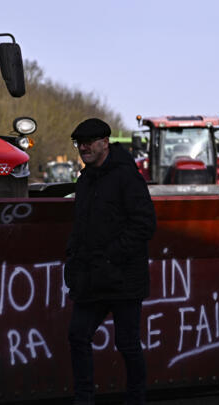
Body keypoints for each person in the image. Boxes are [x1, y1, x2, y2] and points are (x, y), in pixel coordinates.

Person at [64, 118, 156, 405]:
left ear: (105, 142)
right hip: (92, 276)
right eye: (80, 143)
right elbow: (81, 227)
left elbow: (145, 224)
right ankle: (84, 398)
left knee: (127, 344)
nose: (83, 147)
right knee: (78, 335)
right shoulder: (85, 180)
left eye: (89, 142)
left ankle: (136, 399)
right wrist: (73, 261)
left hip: (124, 278)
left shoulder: (127, 176)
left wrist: (111, 255)